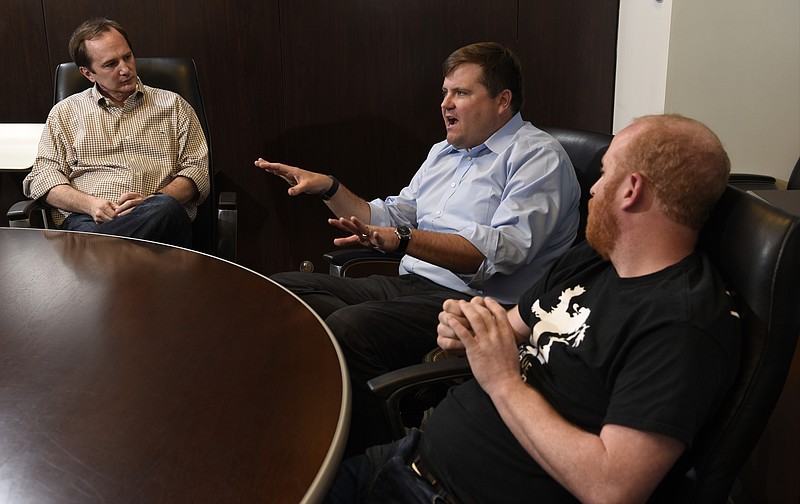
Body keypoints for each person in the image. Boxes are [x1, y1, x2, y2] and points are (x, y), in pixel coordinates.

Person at [324, 114, 742, 503]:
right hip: (412, 455)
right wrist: (468, 331)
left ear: (632, 190)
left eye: (604, 174)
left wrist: (504, 381)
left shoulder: (681, 326)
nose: (593, 189)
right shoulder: (594, 259)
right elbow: (509, 328)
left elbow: (612, 488)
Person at [255, 42, 581, 454]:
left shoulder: (538, 158)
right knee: (281, 291)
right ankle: (299, 431)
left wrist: (406, 239)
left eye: (461, 93)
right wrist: (330, 188)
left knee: (349, 328)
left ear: (503, 101)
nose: (446, 104)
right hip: (413, 286)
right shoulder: (444, 153)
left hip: (475, 305)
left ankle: (381, 461)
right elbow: (390, 216)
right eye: (444, 93)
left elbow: (500, 253)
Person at [23, 18, 210, 247]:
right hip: (89, 221)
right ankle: (111, 255)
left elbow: (197, 171)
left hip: (157, 220)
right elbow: (43, 178)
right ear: (88, 73)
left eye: (127, 57)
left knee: (167, 209)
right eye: (111, 64)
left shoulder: (173, 106)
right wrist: (90, 205)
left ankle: (105, 253)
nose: (125, 69)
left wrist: (150, 201)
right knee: (89, 235)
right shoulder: (65, 113)